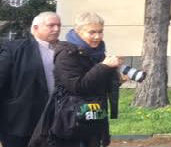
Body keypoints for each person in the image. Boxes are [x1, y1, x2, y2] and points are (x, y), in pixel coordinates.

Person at [39, 12, 122, 147]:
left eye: (100, 32)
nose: (97, 37)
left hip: (94, 116)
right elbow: (77, 86)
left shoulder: (98, 53)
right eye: (92, 32)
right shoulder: (67, 53)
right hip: (71, 120)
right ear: (78, 32)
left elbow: (97, 84)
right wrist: (103, 66)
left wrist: (117, 80)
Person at [0, 12, 61, 147]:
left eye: (58, 25)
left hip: (56, 121)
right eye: (51, 25)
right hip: (20, 123)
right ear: (35, 28)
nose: (56, 29)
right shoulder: (15, 49)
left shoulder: (66, 50)